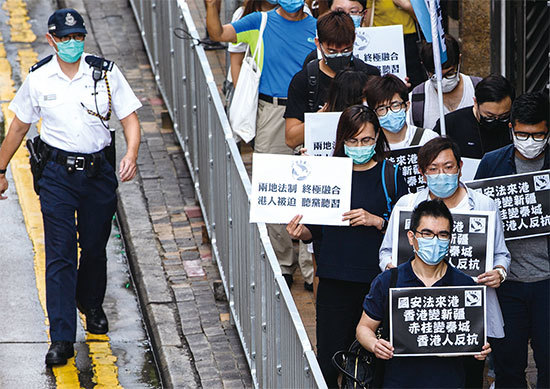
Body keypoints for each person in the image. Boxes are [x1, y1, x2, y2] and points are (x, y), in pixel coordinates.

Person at [0, 9, 141, 366]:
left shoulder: (104, 74)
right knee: (60, 255)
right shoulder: (39, 78)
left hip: (98, 175)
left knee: (94, 247)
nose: (72, 44)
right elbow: (18, 128)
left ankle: (90, 302)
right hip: (56, 177)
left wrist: (132, 154)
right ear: (52, 41)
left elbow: (130, 118)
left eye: (77, 37)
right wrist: (0, 168)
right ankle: (61, 337)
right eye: (64, 39)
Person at [286, 105, 408, 387]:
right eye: (352, 141)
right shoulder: (328, 173)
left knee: (378, 359)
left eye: (366, 140)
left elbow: (406, 228)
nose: (359, 146)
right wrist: (298, 231)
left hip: (376, 281)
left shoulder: (390, 174)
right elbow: (312, 230)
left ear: (377, 137)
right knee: (330, 358)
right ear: (342, 140)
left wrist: (376, 220)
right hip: (334, 281)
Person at [378, 137, 510, 387]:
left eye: (448, 167)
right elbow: (386, 253)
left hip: (467, 316)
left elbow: (501, 254)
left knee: (468, 377)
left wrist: (499, 273)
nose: (442, 174)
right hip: (415, 313)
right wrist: (393, 270)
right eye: (433, 169)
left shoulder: (484, 205)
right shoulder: (407, 205)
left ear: (460, 166)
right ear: (422, 172)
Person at [206, 0, 317, 286]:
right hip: (272, 113)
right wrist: (211, 7)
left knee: (312, 189)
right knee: (272, 187)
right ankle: (283, 262)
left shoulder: (317, 26)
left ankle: (309, 268)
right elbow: (219, 35)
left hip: (311, 114)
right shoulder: (259, 21)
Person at [357, 199, 492, 388]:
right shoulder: (389, 281)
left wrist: (480, 349)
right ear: (412, 237)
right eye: (427, 233)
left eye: (442, 235)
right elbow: (364, 328)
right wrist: (374, 344)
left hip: (450, 383)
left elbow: (474, 337)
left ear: (450, 239)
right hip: (398, 382)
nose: (435, 241)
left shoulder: (465, 285)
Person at [474, 91, 549, 389]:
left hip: (546, 282)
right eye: (522, 134)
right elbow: (475, 215)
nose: (530, 141)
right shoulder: (492, 164)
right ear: (511, 129)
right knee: (508, 367)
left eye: (538, 135)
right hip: (506, 285)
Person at [285, 10, 379, 149]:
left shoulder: (370, 75)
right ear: (318, 44)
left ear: (354, 40)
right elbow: (291, 139)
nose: (340, 56)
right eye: (332, 52)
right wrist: (321, 117)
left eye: (346, 50)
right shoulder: (304, 80)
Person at [433, 74, 515, 159]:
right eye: (489, 116)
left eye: (503, 116)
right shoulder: (450, 124)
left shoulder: (515, 122)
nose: (496, 120)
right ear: (476, 103)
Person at [409, 35, 481, 130]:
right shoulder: (416, 100)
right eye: (435, 75)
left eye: (450, 73)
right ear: (424, 67)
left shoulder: (478, 89)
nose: (443, 81)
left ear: (459, 60)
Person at [363, 0, 426, 89]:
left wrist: (407, 6)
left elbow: (427, 21)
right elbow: (367, 21)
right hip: (379, 39)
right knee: (380, 84)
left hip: (408, 41)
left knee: (413, 83)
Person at [366, 74, 439, 150]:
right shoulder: (370, 146)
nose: (389, 112)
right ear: (374, 113)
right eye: (382, 109)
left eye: (395, 105)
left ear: (407, 105)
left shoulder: (428, 138)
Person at [227, 0, 277, 87]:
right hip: (252, 86)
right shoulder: (243, 14)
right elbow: (236, 62)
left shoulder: (297, 13)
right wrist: (242, 96)